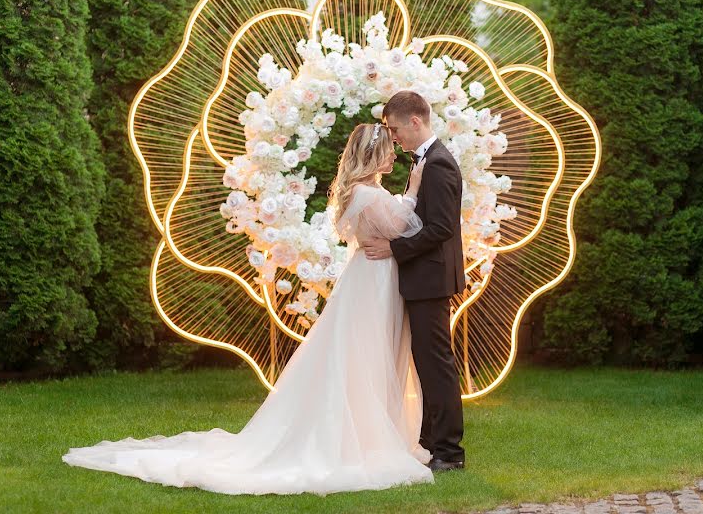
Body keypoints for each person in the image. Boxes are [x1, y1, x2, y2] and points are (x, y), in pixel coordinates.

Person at [61, 122, 435, 496]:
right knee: (368, 355)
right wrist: (414, 190)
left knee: (373, 354)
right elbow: (405, 225)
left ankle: (375, 432)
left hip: (373, 278)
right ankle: (366, 439)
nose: (393, 154)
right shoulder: (367, 195)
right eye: (388, 149)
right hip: (373, 282)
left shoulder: (365, 191)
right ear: (373, 154)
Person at [362, 90, 467, 472]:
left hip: (430, 280)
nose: (393, 137)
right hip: (424, 278)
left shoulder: (438, 164)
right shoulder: (425, 162)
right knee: (426, 363)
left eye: (394, 129)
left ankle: (450, 453)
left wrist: (394, 248)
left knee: (435, 364)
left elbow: (440, 227)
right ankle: (430, 441)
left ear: (415, 122)